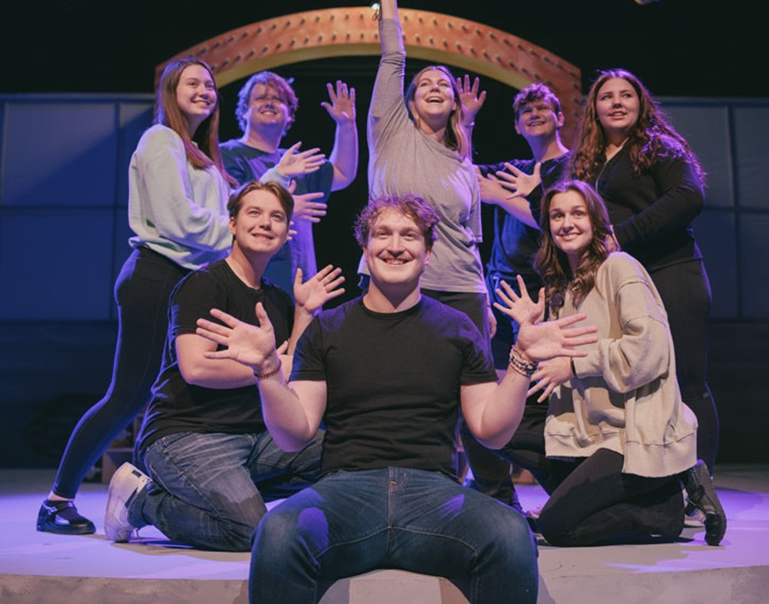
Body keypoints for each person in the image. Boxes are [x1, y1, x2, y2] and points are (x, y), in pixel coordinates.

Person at [194, 194, 597, 603]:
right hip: (345, 492)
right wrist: (267, 369)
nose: (395, 245)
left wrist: (522, 360)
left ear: (428, 252)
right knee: (277, 532)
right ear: (365, 248)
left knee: (511, 533)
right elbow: (293, 434)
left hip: (435, 495)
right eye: (382, 234)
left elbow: (492, 432)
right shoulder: (326, 329)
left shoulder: (458, 329)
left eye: (409, 235)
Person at [36, 56, 237, 535]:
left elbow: (216, 216)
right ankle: (57, 500)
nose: (205, 91)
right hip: (157, 274)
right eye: (193, 83)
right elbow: (178, 220)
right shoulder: (160, 140)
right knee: (128, 396)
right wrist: (233, 230)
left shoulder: (197, 152)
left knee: (173, 396)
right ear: (170, 91)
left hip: (185, 280)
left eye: (210, 85)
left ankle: (162, 495)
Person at [101, 180, 345, 550]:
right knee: (248, 532)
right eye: (254, 213)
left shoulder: (278, 300)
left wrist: (304, 313)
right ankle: (142, 501)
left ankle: (230, 500)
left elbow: (289, 379)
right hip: (187, 434)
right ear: (232, 223)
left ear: (286, 233)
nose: (265, 223)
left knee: (342, 456)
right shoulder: (203, 284)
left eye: (277, 217)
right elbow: (196, 368)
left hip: (256, 437)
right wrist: (266, 366)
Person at [495, 180, 727, 547]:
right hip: (589, 427)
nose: (566, 223)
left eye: (577, 213)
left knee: (558, 528)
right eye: (557, 215)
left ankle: (663, 509)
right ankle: (593, 499)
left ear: (596, 221)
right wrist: (529, 331)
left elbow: (650, 349)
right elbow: (557, 361)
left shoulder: (619, 267)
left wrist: (575, 366)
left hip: (629, 431)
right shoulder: (562, 286)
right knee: (498, 429)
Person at [365, 0, 510, 505]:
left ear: (454, 104)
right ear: (407, 100)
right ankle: (401, 489)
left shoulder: (463, 164)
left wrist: (485, 300)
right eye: (424, 83)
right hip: (398, 284)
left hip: (463, 287)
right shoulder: (391, 131)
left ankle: (496, 494)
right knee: (400, 387)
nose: (433, 86)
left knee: (478, 394)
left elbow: (473, 239)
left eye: (443, 85)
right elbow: (393, 57)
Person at [565, 69, 721, 484]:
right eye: (606, 96)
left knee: (687, 382)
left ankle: (698, 488)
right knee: (637, 384)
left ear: (641, 103)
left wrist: (623, 234)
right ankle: (654, 486)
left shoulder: (659, 147)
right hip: (626, 284)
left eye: (626, 95)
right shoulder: (589, 161)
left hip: (672, 272)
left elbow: (689, 196)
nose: (617, 102)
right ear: (594, 109)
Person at [461, 81, 573, 501]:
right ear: (517, 126)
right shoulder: (515, 169)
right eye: (526, 111)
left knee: (539, 404)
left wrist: (502, 198)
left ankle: (565, 491)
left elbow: (560, 221)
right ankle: (496, 494)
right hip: (502, 297)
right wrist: (466, 122)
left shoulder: (572, 167)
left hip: (546, 298)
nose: (534, 114)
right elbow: (463, 172)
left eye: (542, 107)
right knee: (487, 401)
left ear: (560, 117)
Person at [221, 71, 359, 295]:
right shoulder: (228, 154)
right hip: (253, 282)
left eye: (277, 99)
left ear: (290, 115)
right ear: (244, 110)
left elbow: (342, 173)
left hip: (300, 284)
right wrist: (286, 207)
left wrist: (346, 125)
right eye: (261, 98)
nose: (269, 102)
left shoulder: (295, 161)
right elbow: (229, 206)